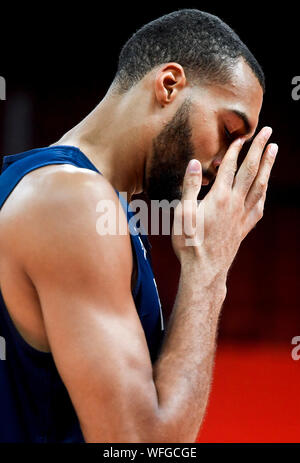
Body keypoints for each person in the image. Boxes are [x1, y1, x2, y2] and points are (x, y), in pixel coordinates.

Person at [0, 9, 278, 442]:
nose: (228, 161)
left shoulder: (79, 196)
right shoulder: (70, 201)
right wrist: (208, 269)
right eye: (228, 129)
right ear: (169, 85)